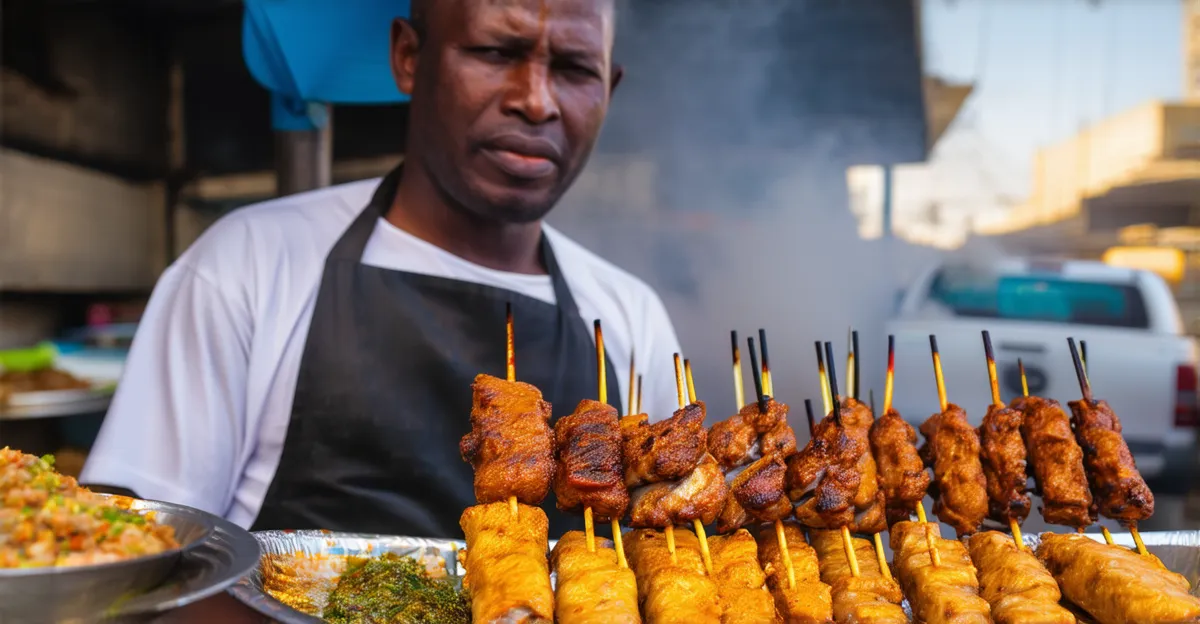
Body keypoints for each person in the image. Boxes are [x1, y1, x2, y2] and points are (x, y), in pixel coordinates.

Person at [80, 0, 681, 538]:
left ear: (610, 87)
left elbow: (670, 545)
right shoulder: (247, 263)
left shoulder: (630, 314)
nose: (537, 100)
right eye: (497, 52)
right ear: (409, 57)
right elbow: (136, 552)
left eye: (576, 69)